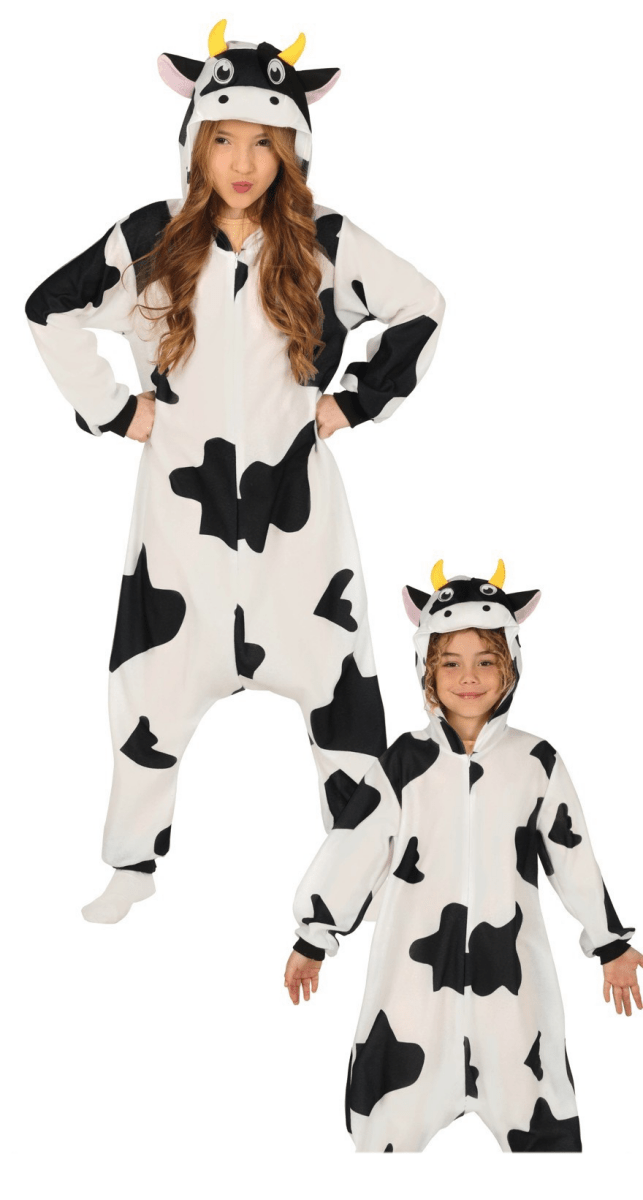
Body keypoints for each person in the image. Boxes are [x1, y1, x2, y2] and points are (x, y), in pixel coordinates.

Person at [24, 21, 445, 923]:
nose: (243, 162)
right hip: (181, 527)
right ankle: (132, 864)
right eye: (223, 139)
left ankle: (366, 866)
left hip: (300, 521)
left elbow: (421, 306)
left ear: (291, 147)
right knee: (149, 684)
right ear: (195, 143)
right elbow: (47, 308)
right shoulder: (152, 240)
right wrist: (115, 410)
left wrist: (353, 402)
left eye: (264, 140)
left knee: (339, 686)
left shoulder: (324, 241)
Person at [285, 559, 641, 1153]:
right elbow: (354, 848)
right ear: (427, 669)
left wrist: (609, 944)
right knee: (385, 1135)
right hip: (411, 994)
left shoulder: (536, 762)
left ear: (511, 666)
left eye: (486, 662)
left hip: (514, 997)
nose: (468, 677)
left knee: (544, 1134)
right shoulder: (404, 763)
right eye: (450, 662)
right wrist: (313, 937)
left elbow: (572, 854)